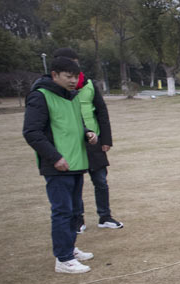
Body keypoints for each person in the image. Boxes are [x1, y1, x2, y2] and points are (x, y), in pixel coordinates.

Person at [23, 57, 99, 273]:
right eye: (68, 77)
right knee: (62, 211)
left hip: (76, 162)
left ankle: (70, 248)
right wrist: (55, 157)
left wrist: (87, 133)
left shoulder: (72, 97)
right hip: (58, 166)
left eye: (76, 77)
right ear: (54, 75)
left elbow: (76, 124)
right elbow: (32, 132)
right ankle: (63, 259)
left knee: (75, 210)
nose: (73, 81)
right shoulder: (40, 97)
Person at [50, 48, 123, 232]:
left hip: (93, 140)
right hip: (71, 142)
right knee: (75, 184)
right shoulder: (54, 91)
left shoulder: (89, 84)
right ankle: (78, 219)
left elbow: (101, 111)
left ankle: (104, 216)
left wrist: (105, 138)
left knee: (101, 181)